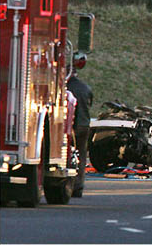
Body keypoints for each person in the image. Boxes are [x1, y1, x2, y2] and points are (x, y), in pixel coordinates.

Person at [66, 56, 93, 198]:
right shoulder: (85, 87)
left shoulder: (66, 87)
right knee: (81, 155)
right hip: (84, 124)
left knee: (68, 155)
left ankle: (68, 183)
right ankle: (79, 185)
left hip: (71, 125)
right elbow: (90, 103)